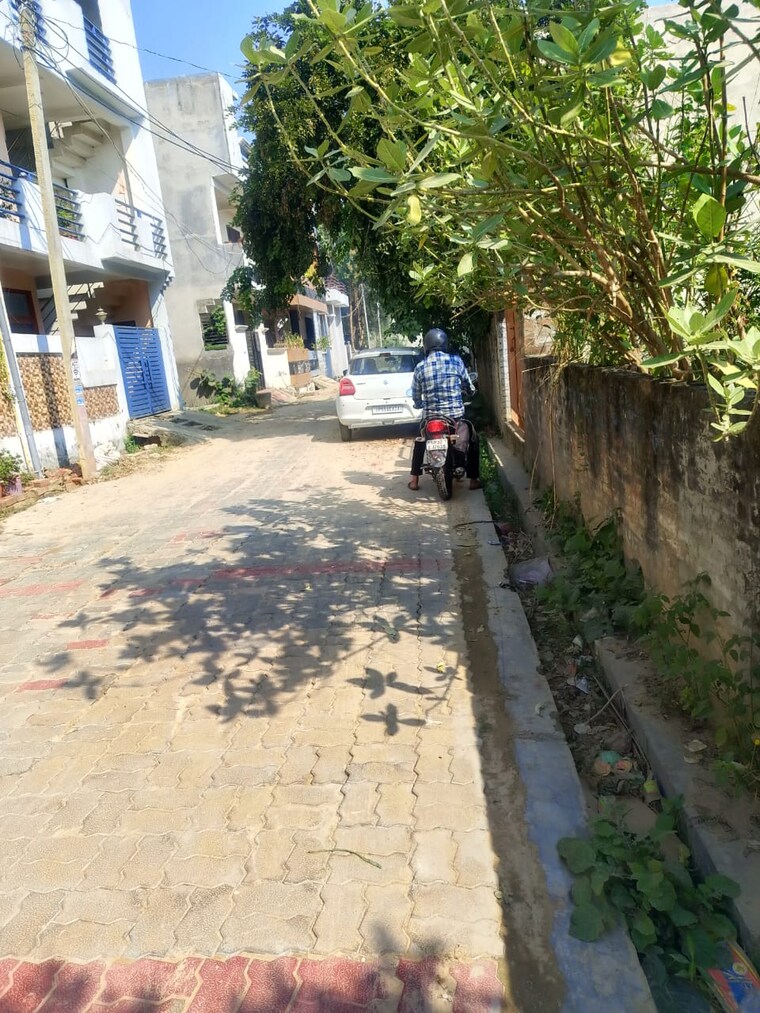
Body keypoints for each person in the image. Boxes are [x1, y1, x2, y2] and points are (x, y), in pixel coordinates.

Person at [407, 327, 482, 491]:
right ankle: (473, 479)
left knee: (420, 441)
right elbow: (468, 386)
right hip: (454, 417)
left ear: (426, 346)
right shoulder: (456, 361)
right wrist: (470, 392)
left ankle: (414, 480)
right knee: (473, 438)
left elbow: (415, 393)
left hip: (430, 418)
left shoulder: (420, 367)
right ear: (445, 344)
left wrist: (418, 403)